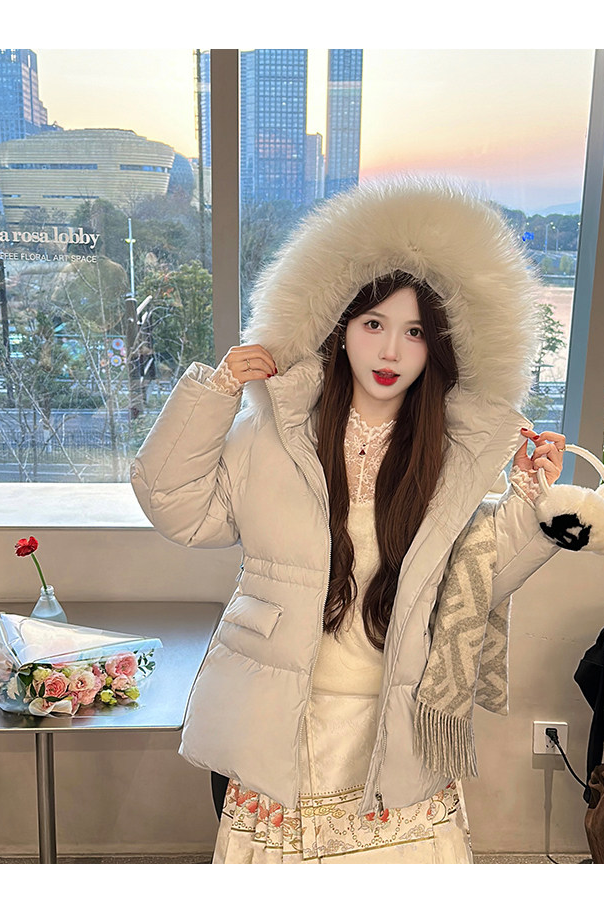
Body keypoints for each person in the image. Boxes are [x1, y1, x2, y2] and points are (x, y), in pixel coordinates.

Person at [130, 178, 567, 863]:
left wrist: (534, 499)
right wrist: (215, 394)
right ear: (338, 328)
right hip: (280, 719)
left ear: (439, 346)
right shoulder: (273, 433)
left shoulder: (451, 454)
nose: (391, 352)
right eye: (373, 324)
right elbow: (177, 506)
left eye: (414, 332)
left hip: (395, 724)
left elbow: (479, 578)